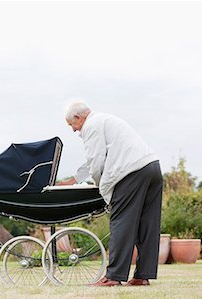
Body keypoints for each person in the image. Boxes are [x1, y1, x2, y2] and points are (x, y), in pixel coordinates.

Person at [62, 101, 163, 287]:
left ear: (79, 118)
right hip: (152, 167)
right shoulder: (105, 120)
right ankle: (143, 276)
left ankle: (113, 277)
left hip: (131, 173)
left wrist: (102, 189)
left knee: (121, 222)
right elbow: (103, 155)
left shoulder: (91, 126)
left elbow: (95, 161)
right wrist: (75, 179)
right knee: (147, 224)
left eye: (72, 125)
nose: (74, 130)